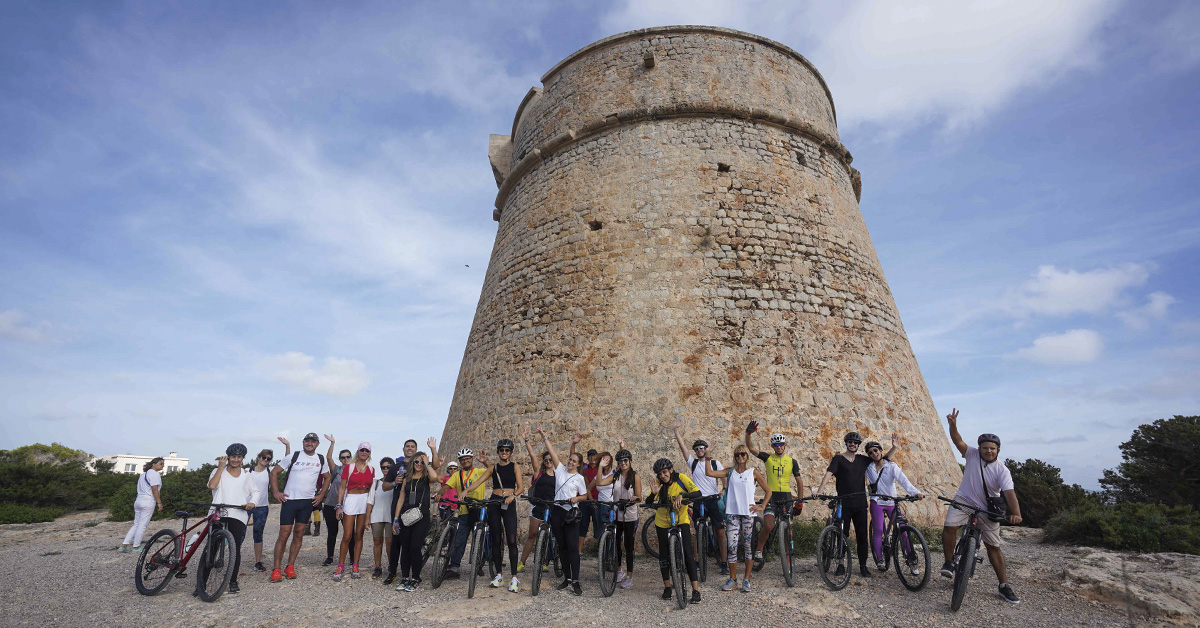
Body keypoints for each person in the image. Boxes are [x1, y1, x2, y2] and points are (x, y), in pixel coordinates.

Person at [939, 408, 1024, 604]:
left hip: (988, 507)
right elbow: (957, 441)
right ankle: (949, 562)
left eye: (992, 448)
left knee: (993, 547)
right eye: (985, 447)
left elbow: (1010, 494)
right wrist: (953, 426)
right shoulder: (971, 454)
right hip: (964, 500)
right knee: (949, 527)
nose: (988, 451)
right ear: (980, 448)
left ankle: (1003, 586)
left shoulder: (1002, 470)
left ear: (998, 450)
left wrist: (1016, 514)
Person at [814, 431, 896, 578]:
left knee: (862, 536)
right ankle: (841, 564)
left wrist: (894, 447)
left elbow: (883, 459)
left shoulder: (863, 460)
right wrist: (820, 490)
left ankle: (863, 565)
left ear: (858, 445)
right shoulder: (838, 459)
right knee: (842, 534)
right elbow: (828, 473)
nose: (852, 444)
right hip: (843, 503)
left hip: (860, 504)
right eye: (850, 442)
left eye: (855, 442)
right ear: (846, 443)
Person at [464, 438, 525, 592]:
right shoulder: (493, 467)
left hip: (509, 502)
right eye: (501, 450)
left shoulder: (515, 466)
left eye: (507, 450)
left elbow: (521, 487)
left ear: (510, 452)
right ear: (498, 452)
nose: (504, 452)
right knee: (496, 540)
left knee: (511, 540)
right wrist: (466, 491)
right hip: (494, 502)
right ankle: (498, 574)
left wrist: (513, 496)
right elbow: (479, 481)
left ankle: (514, 577)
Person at [269, 432, 331, 583]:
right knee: (284, 534)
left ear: (317, 444)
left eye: (312, 441)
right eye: (307, 441)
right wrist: (276, 492)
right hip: (290, 500)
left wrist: (321, 494)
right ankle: (276, 569)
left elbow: (328, 477)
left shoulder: (321, 459)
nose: (309, 443)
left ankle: (290, 567)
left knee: (299, 533)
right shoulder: (294, 456)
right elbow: (274, 472)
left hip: (307, 502)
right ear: (303, 442)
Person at [708, 444, 770, 592]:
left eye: (743, 454)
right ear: (735, 457)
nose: (740, 457)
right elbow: (709, 473)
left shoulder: (752, 472)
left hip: (748, 514)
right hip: (733, 514)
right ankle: (733, 579)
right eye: (737, 455)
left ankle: (747, 580)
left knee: (749, 547)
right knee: (732, 547)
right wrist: (707, 456)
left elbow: (768, 491)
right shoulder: (730, 472)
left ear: (747, 456)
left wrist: (761, 506)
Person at [536, 426, 589, 595]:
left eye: (574, 461)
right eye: (570, 459)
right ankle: (566, 578)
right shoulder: (559, 470)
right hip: (557, 511)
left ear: (579, 464)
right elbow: (551, 452)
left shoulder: (579, 478)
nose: (571, 462)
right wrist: (544, 436)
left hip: (571, 514)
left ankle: (576, 580)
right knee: (562, 547)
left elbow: (585, 496)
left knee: (573, 548)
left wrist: (576, 498)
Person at [672, 418, 728, 574]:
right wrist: (676, 432)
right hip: (698, 500)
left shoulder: (715, 463)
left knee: (720, 531)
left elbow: (724, 475)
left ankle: (724, 563)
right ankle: (697, 561)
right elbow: (683, 448)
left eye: (702, 448)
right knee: (697, 532)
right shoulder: (693, 463)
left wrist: (723, 488)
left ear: (706, 449)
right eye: (697, 449)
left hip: (713, 500)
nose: (699, 450)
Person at [383, 438, 440, 585]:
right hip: (405, 515)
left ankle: (416, 577)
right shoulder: (406, 477)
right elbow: (401, 497)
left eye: (421, 462)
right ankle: (404, 577)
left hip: (421, 516)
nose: (419, 464)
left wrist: (429, 458)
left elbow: (435, 475)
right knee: (404, 547)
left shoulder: (426, 477)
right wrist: (396, 519)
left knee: (415, 547)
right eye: (417, 462)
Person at [744, 421, 804, 561]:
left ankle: (788, 561)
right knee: (769, 525)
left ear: (785, 445)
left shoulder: (792, 461)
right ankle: (759, 548)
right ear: (772, 446)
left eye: (781, 444)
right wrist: (748, 434)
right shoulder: (768, 458)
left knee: (788, 529)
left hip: (787, 499)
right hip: (771, 498)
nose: (779, 447)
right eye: (776, 445)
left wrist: (800, 502)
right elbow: (751, 448)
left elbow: (799, 482)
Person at [646, 458, 703, 604]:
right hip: (662, 521)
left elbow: (697, 493)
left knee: (687, 553)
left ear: (671, 470)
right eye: (660, 474)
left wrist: (683, 495)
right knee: (664, 555)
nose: (663, 476)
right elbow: (648, 502)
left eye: (665, 472)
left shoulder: (681, 479)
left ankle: (695, 590)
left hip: (680, 519)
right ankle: (667, 587)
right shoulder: (659, 483)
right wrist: (653, 494)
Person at [206, 443, 260, 594]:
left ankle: (233, 581)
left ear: (242, 458)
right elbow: (212, 486)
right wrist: (220, 467)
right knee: (212, 547)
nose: (235, 460)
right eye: (233, 456)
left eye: (239, 457)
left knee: (235, 547)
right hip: (218, 511)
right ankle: (202, 582)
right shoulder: (218, 471)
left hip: (238, 513)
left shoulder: (246, 474)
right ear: (228, 456)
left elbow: (255, 491)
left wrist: (252, 503)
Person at [863, 439, 921, 572]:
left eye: (876, 450)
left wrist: (915, 492)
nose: (874, 454)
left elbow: (903, 480)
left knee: (902, 529)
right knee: (878, 530)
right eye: (870, 452)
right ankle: (880, 559)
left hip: (891, 502)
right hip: (876, 502)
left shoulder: (891, 466)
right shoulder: (868, 467)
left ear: (881, 451)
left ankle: (911, 559)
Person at [592, 440, 641, 589]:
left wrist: (634, 498)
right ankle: (619, 570)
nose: (623, 463)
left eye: (625, 460)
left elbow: (640, 496)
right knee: (617, 545)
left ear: (630, 462)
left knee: (628, 545)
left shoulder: (635, 476)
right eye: (620, 461)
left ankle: (630, 576)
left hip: (630, 515)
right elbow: (599, 483)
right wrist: (600, 467)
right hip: (618, 514)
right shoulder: (615, 476)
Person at [436, 445, 489, 579]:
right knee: (459, 539)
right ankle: (454, 567)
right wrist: (438, 495)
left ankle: (478, 564)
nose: (465, 461)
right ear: (460, 462)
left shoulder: (479, 471)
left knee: (479, 538)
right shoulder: (457, 475)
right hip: (464, 511)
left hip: (478, 509)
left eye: (467, 459)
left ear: (472, 459)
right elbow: (447, 487)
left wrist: (485, 461)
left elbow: (492, 470)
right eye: (462, 459)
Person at [332, 442, 375, 581]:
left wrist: (369, 513)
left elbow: (370, 491)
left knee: (359, 535)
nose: (364, 452)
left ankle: (355, 564)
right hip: (351, 499)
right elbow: (342, 487)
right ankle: (341, 565)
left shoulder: (372, 469)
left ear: (369, 453)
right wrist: (339, 505)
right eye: (362, 450)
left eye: (367, 450)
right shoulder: (349, 467)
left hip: (363, 500)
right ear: (358, 451)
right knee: (347, 535)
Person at [517, 426, 555, 573]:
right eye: (546, 460)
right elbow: (533, 456)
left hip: (551, 506)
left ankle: (545, 561)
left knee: (547, 535)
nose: (548, 461)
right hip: (538, 506)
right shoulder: (538, 473)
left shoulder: (558, 475)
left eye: (550, 459)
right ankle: (522, 562)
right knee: (532, 534)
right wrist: (527, 440)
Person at [247, 442, 287, 571]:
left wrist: (287, 445)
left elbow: (287, 461)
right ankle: (233, 559)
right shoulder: (247, 471)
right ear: (258, 457)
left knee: (258, 534)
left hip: (262, 506)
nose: (265, 460)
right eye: (264, 457)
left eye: (268, 458)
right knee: (239, 533)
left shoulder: (270, 472)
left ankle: (258, 562)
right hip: (246, 505)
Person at [321, 436, 354, 567]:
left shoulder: (354, 471)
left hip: (347, 506)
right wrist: (332, 443)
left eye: (347, 457)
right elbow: (328, 458)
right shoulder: (337, 470)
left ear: (351, 458)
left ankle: (352, 557)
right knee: (332, 532)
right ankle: (330, 557)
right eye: (343, 457)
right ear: (340, 459)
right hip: (331, 505)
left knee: (349, 532)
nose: (345, 459)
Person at [120, 457, 163, 552]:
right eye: (160, 464)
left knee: (136, 524)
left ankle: (124, 545)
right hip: (148, 500)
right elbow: (154, 489)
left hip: (138, 499)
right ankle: (136, 546)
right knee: (142, 525)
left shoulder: (143, 475)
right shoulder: (155, 474)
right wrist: (159, 502)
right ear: (154, 464)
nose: (162, 466)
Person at [366, 457, 395, 579]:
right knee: (377, 542)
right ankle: (377, 567)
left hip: (390, 516)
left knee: (389, 543)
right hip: (377, 515)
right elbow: (370, 501)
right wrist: (367, 518)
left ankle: (391, 566)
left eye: (388, 467)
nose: (386, 469)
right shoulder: (376, 483)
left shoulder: (396, 483)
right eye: (383, 467)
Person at [570, 437, 601, 543]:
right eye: (590, 456)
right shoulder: (584, 468)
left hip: (597, 500)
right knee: (583, 526)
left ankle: (601, 549)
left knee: (599, 525)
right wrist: (573, 444)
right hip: (585, 500)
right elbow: (573, 456)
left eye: (594, 456)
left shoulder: (601, 469)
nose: (592, 458)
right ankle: (579, 551)